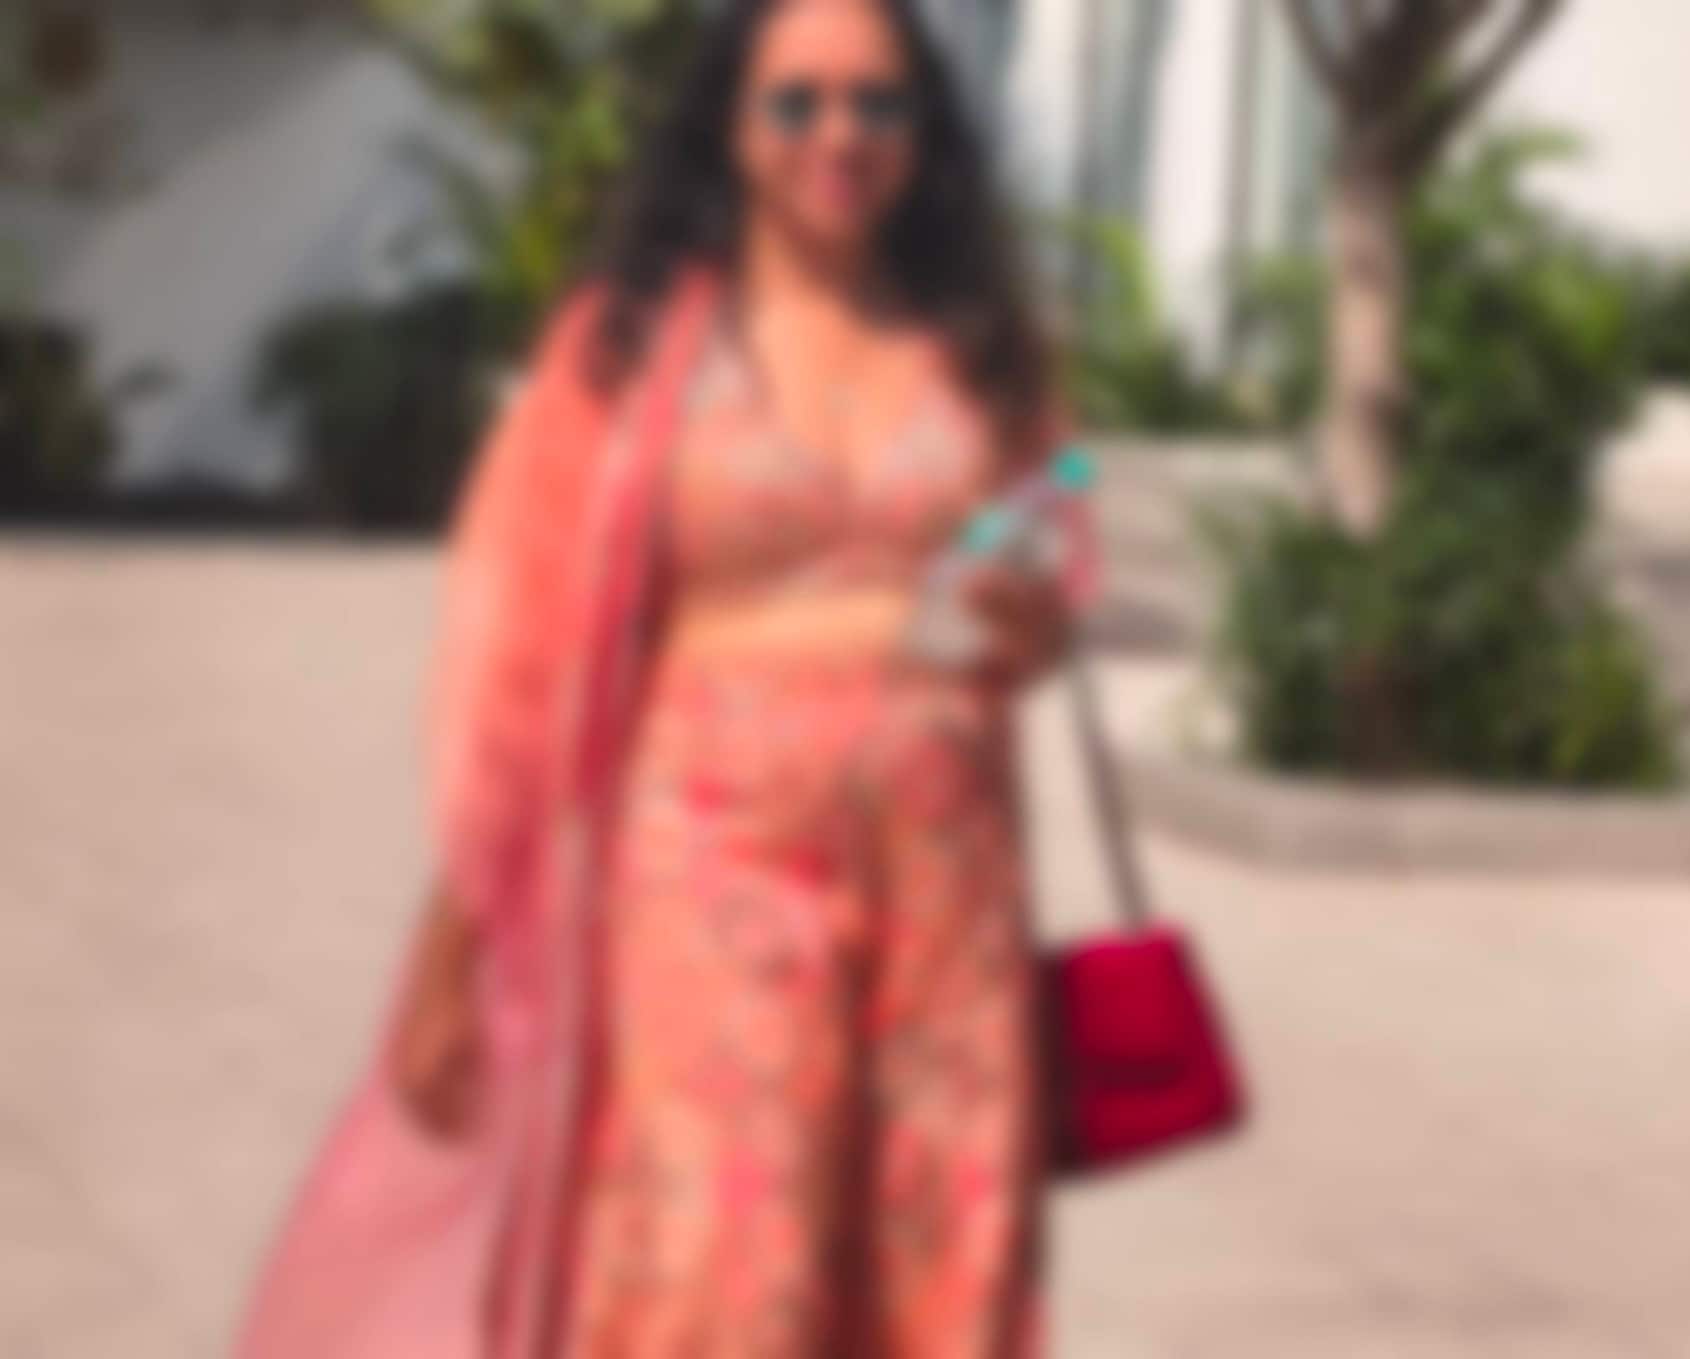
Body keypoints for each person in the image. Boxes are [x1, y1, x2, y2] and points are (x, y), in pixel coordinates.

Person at [237, 1, 1093, 1355]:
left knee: (938, 1260)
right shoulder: (631, 352)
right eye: (796, 101)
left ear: (926, 132)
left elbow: (1051, 589)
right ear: (730, 127)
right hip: (710, 870)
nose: (839, 136)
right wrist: (449, 953)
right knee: (723, 1265)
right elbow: (524, 670)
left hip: (948, 887)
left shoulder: (981, 349)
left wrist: (1034, 622)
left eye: (878, 103)